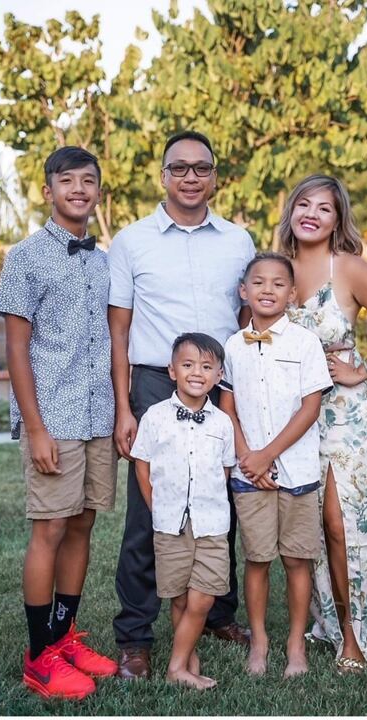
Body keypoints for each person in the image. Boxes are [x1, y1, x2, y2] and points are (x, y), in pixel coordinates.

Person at [108, 130, 256, 678]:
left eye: (201, 168)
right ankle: (135, 636)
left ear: (215, 176)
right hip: (154, 385)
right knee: (151, 510)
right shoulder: (131, 241)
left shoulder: (239, 241)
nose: (190, 177)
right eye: (179, 168)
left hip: (220, 384)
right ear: (163, 176)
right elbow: (118, 330)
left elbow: (245, 321)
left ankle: (218, 612)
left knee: (224, 499)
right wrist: (126, 408)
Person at [279, 174, 367, 672]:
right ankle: (327, 623)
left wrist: (363, 370)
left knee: (342, 522)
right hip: (292, 411)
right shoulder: (277, 270)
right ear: (291, 211)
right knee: (308, 521)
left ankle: (357, 636)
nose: (312, 213)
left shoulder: (349, 268)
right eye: (304, 203)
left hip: (343, 409)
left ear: (338, 220)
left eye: (325, 207)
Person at [0, 146, 119, 700]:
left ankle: (65, 636)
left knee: (83, 524)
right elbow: (16, 350)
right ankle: (38, 655)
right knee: (48, 529)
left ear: (97, 191)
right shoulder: (24, 257)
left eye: (87, 181)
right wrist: (36, 427)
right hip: (56, 416)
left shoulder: (103, 260)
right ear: (48, 191)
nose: (78, 189)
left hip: (97, 415)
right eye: (66, 181)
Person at [220, 252, 332, 677]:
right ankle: (260, 642)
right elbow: (227, 406)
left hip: (297, 472)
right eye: (259, 282)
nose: (268, 290)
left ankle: (295, 645)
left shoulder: (304, 343)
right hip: (248, 475)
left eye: (278, 283)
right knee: (257, 558)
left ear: (292, 294)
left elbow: (310, 406)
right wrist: (249, 457)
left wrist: (269, 454)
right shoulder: (233, 345)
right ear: (244, 291)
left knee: (297, 560)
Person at [130, 333, 236, 690]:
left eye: (206, 367)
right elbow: (142, 464)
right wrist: (154, 505)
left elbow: (224, 470)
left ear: (219, 375)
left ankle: (175, 667)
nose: (196, 373)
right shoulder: (155, 418)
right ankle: (187, 659)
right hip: (170, 522)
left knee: (203, 596)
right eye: (188, 365)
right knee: (179, 595)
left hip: (211, 523)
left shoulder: (222, 423)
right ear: (172, 370)